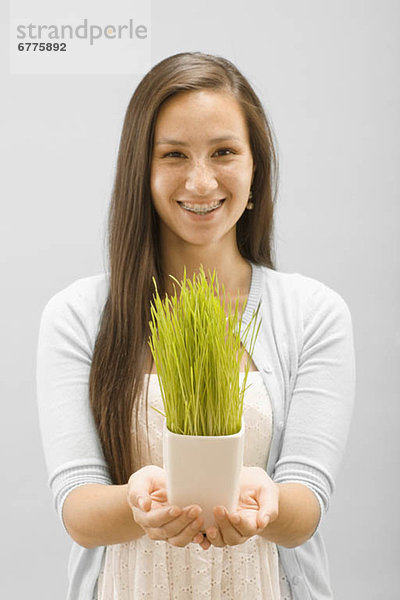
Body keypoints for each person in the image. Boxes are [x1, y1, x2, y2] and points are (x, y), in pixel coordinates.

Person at [36, 52, 356, 600]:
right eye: (174, 155)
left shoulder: (313, 313)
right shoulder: (77, 315)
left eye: (225, 152)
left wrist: (267, 503)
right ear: (142, 171)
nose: (201, 180)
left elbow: (306, 504)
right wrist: (140, 502)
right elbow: (79, 508)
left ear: (256, 170)